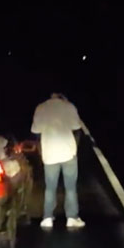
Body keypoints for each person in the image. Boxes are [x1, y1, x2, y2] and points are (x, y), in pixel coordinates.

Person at [31, 93, 85, 229]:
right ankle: (72, 218)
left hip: (49, 153)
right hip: (68, 152)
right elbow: (77, 129)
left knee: (50, 188)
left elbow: (36, 132)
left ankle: (47, 218)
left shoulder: (41, 108)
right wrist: (75, 149)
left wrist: (41, 152)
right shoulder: (69, 107)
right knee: (70, 187)